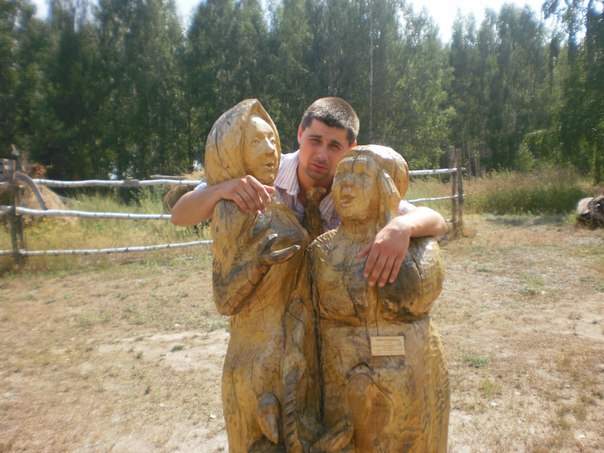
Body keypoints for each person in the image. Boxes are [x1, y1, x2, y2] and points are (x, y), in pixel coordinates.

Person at [171, 97, 447, 286]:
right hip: (275, 310)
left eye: (334, 146)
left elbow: (436, 221)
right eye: (315, 140)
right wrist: (222, 189)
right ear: (300, 134)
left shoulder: (355, 188)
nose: (322, 155)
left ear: (350, 149)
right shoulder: (265, 172)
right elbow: (180, 215)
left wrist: (402, 226)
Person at [285, 145, 450, 451]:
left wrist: (399, 226)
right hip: (340, 384)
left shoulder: (417, 246)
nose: (346, 183)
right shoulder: (320, 252)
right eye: (342, 174)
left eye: (361, 173)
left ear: (386, 186)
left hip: (410, 378)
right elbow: (300, 317)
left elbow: (434, 227)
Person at [203, 99, 309, 451]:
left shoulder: (275, 206)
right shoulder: (233, 209)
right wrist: (256, 262)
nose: (269, 149)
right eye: (256, 141)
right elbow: (224, 299)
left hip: (289, 356)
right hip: (253, 362)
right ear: (234, 152)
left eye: (272, 140)